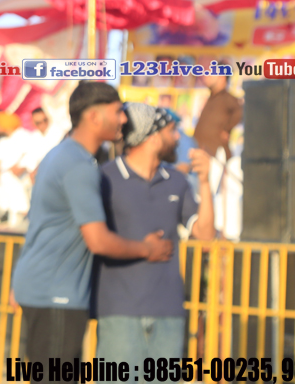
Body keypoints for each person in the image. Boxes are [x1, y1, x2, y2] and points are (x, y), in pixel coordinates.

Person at [10, 82, 174, 368]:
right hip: (57, 295)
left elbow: (40, 224)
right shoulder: (78, 165)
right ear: (94, 116)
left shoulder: (60, 154)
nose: (123, 119)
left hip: (43, 289)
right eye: (118, 111)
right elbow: (98, 240)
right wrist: (148, 249)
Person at [93, 103, 215, 364]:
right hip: (119, 313)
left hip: (169, 313)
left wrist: (205, 182)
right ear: (152, 137)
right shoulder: (104, 178)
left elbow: (205, 236)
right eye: (171, 130)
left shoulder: (177, 181)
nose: (178, 137)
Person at [194, 69, 242, 158]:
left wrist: (227, 129)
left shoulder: (227, 98)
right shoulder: (212, 97)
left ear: (222, 77)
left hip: (216, 155)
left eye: (211, 74)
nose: (207, 77)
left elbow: (239, 111)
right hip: (201, 151)